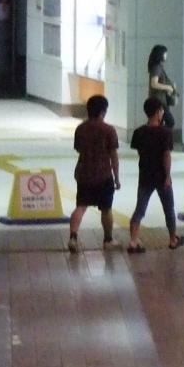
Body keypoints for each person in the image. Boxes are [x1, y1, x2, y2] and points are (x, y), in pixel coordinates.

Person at [126, 97, 184, 252]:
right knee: (169, 209)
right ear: (158, 112)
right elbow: (166, 155)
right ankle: (173, 239)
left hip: (145, 175)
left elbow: (140, 153)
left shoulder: (139, 132)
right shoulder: (165, 132)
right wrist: (167, 176)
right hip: (161, 176)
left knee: (140, 209)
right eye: (162, 110)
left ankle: (133, 241)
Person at [68, 94, 122, 253]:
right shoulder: (109, 130)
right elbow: (113, 156)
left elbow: (79, 149)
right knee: (106, 208)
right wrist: (117, 177)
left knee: (81, 206)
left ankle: (73, 237)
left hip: (84, 173)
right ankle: (108, 240)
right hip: (103, 174)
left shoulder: (81, 129)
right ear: (103, 111)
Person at [146, 44, 178, 129]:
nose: (166, 55)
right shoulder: (157, 68)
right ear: (160, 54)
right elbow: (154, 83)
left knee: (157, 122)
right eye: (165, 53)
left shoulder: (157, 67)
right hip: (159, 100)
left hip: (159, 100)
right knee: (169, 122)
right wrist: (168, 87)